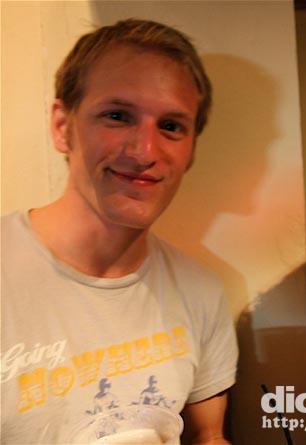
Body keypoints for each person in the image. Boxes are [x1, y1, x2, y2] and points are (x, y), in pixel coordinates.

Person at [1, 19, 238, 444]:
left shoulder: (202, 292)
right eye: (117, 116)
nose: (144, 151)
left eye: (171, 126)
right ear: (62, 126)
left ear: (191, 151)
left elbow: (209, 436)